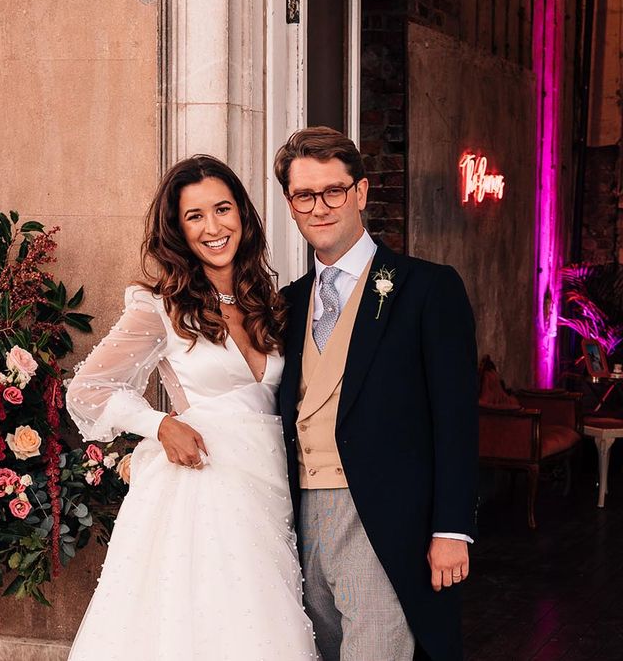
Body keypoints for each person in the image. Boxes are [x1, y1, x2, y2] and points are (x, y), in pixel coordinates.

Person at [65, 155, 317, 660]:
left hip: (268, 490)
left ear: (243, 216)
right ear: (178, 230)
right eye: (194, 216)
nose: (213, 227)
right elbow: (86, 389)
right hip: (200, 487)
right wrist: (158, 425)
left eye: (222, 209)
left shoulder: (270, 302)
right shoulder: (159, 306)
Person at [274, 127, 479, 661]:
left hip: (383, 518)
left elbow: (455, 420)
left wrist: (452, 528)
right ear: (290, 205)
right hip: (297, 516)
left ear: (361, 192)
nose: (320, 207)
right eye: (304, 195)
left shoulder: (426, 288)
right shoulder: (285, 305)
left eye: (333, 191)